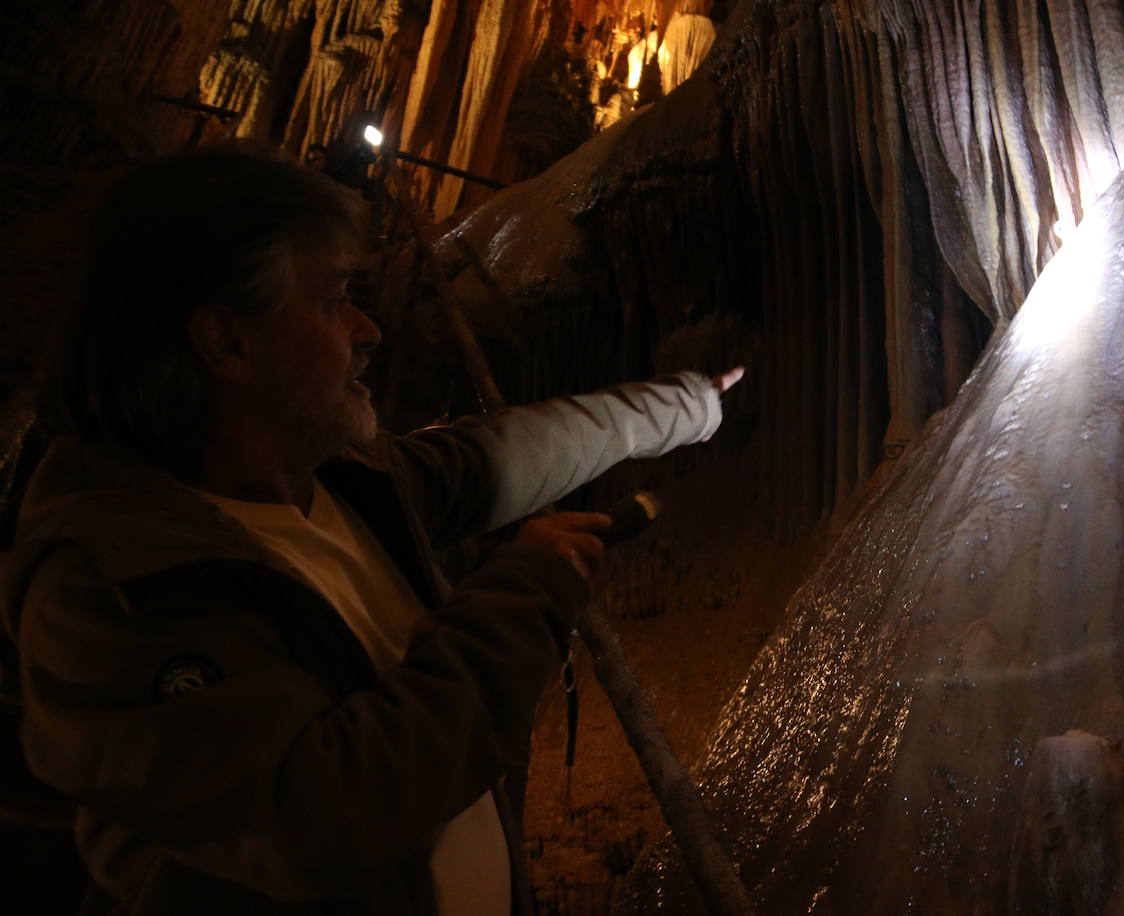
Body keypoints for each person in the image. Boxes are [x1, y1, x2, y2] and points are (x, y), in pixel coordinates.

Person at [0, 143, 743, 914]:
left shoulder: (337, 485)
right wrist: (523, 598)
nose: (368, 329)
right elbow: (329, 809)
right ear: (227, 342)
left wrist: (690, 406)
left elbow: (505, 456)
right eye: (333, 299)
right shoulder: (110, 589)